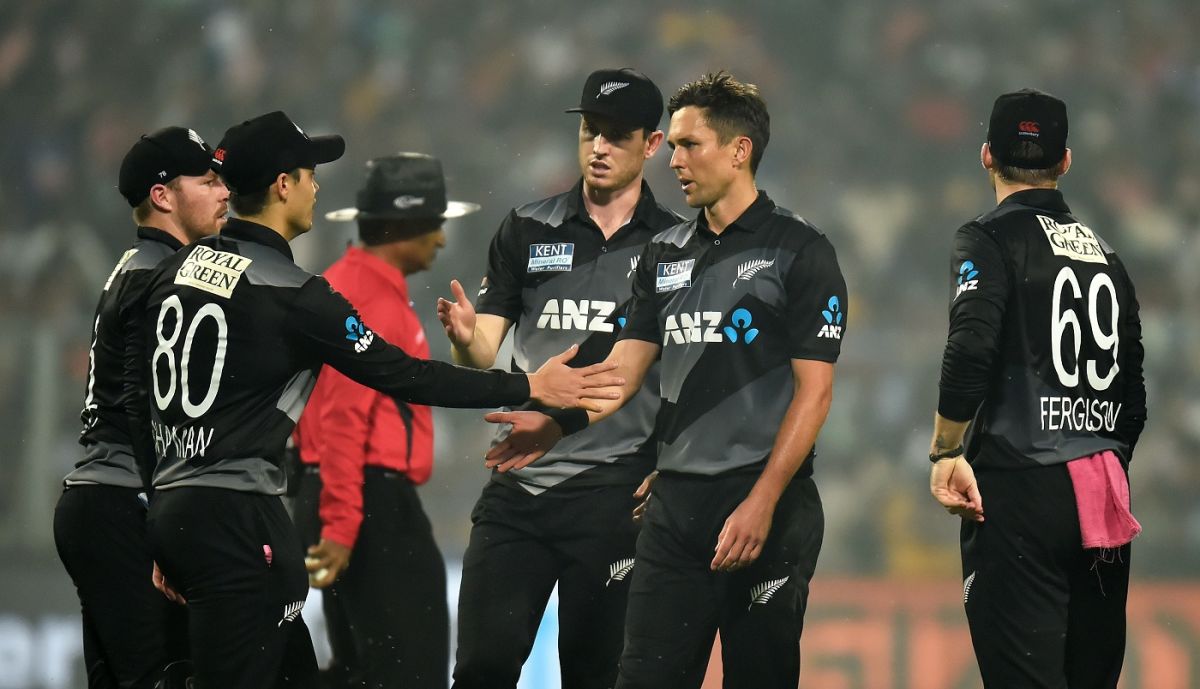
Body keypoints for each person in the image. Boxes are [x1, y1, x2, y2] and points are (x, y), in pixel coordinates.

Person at [138, 111, 622, 689]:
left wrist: (161, 507)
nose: (318, 185)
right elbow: (405, 377)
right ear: (282, 185)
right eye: (309, 173)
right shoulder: (299, 296)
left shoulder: (178, 270)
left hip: (177, 502)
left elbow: (138, 391)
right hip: (242, 514)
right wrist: (527, 385)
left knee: (288, 670)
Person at [486, 71, 848, 689]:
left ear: (740, 151)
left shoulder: (799, 250)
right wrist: (555, 424)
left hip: (768, 504)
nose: (675, 160)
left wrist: (761, 501)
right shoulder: (666, 252)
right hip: (673, 509)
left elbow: (814, 394)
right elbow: (623, 372)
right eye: (673, 146)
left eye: (689, 145)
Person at [434, 67, 681, 689]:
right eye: (590, 131)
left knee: (595, 677)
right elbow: (485, 350)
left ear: (652, 145)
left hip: (615, 491)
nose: (598, 147)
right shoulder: (527, 227)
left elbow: (681, 373)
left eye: (616, 136)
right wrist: (467, 338)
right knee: (483, 668)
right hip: (520, 486)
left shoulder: (676, 246)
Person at [927, 89, 1146, 689]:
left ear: (986, 156)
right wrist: (1100, 458)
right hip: (1102, 497)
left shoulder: (989, 238)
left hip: (1018, 488)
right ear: (1066, 161)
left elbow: (971, 345)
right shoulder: (1107, 257)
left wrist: (946, 449)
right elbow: (1135, 400)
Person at [292, 153, 482, 689]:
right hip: (368, 502)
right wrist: (344, 522)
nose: (442, 240)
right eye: (435, 225)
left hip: (333, 492)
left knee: (358, 668)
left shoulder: (341, 284)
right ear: (404, 226)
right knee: (410, 671)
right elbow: (343, 418)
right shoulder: (369, 297)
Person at [53, 126, 228, 689]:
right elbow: (145, 405)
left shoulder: (133, 266)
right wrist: (165, 511)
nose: (223, 191)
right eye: (206, 180)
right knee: (166, 678)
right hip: (126, 501)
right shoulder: (166, 277)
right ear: (162, 196)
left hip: (95, 500)